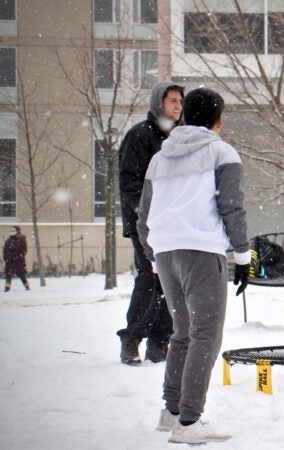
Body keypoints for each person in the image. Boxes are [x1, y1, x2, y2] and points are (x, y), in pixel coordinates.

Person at [137, 87, 250, 444]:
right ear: (218, 121)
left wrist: (154, 254)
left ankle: (171, 414)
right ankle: (189, 422)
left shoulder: (160, 157)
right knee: (205, 335)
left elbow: (143, 217)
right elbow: (232, 207)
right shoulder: (222, 152)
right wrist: (244, 255)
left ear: (183, 116)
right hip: (202, 250)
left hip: (166, 251)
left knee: (183, 333)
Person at [117, 80, 184, 365]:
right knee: (149, 278)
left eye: (180, 102)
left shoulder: (181, 137)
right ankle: (132, 338)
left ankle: (160, 341)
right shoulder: (140, 136)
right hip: (145, 223)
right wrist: (144, 214)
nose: (177, 107)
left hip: (174, 223)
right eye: (172, 101)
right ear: (159, 103)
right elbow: (128, 182)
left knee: (171, 282)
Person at [3, 226, 29, 292]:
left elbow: (24, 251)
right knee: (8, 275)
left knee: (21, 274)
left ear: (18, 231)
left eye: (13, 231)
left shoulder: (22, 240)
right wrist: (5, 257)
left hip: (18, 262)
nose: (12, 232)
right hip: (9, 261)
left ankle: (27, 287)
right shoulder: (8, 240)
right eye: (11, 230)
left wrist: (18, 257)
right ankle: (7, 288)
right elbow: (5, 250)